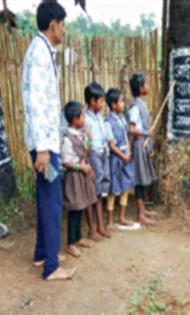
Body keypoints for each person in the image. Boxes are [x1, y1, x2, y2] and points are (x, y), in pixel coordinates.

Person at [22, 0, 76, 280]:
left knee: (46, 197)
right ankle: (51, 267)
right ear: (53, 24)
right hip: (45, 146)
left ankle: (43, 253)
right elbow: (36, 103)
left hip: (44, 142)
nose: (65, 29)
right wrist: (42, 148)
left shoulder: (41, 50)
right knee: (53, 200)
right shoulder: (40, 54)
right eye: (63, 24)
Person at [61, 101, 97, 258]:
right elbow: (66, 162)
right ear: (75, 119)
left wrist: (89, 139)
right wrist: (82, 168)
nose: (84, 119)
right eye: (82, 116)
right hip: (74, 178)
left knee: (81, 206)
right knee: (74, 210)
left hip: (82, 176)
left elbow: (86, 153)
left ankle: (78, 238)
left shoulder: (81, 133)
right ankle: (70, 244)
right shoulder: (67, 139)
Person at [128, 72, 158, 225]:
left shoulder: (142, 104)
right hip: (139, 145)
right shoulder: (135, 107)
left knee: (145, 177)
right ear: (140, 88)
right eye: (146, 84)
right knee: (140, 179)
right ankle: (140, 214)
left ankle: (144, 210)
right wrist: (146, 133)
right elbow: (132, 129)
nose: (149, 86)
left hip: (144, 144)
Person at [84, 82, 112, 240]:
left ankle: (100, 226)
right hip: (93, 155)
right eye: (101, 101)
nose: (103, 104)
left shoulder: (99, 117)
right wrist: (88, 163)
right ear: (92, 101)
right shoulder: (85, 119)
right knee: (91, 192)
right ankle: (91, 229)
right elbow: (86, 144)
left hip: (102, 154)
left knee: (99, 192)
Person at [105, 88, 135, 227]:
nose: (123, 104)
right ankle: (110, 220)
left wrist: (128, 152)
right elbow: (111, 145)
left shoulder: (123, 119)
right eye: (121, 102)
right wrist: (122, 155)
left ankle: (122, 217)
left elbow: (126, 138)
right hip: (115, 158)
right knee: (113, 188)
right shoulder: (108, 122)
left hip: (125, 156)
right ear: (113, 105)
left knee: (126, 186)